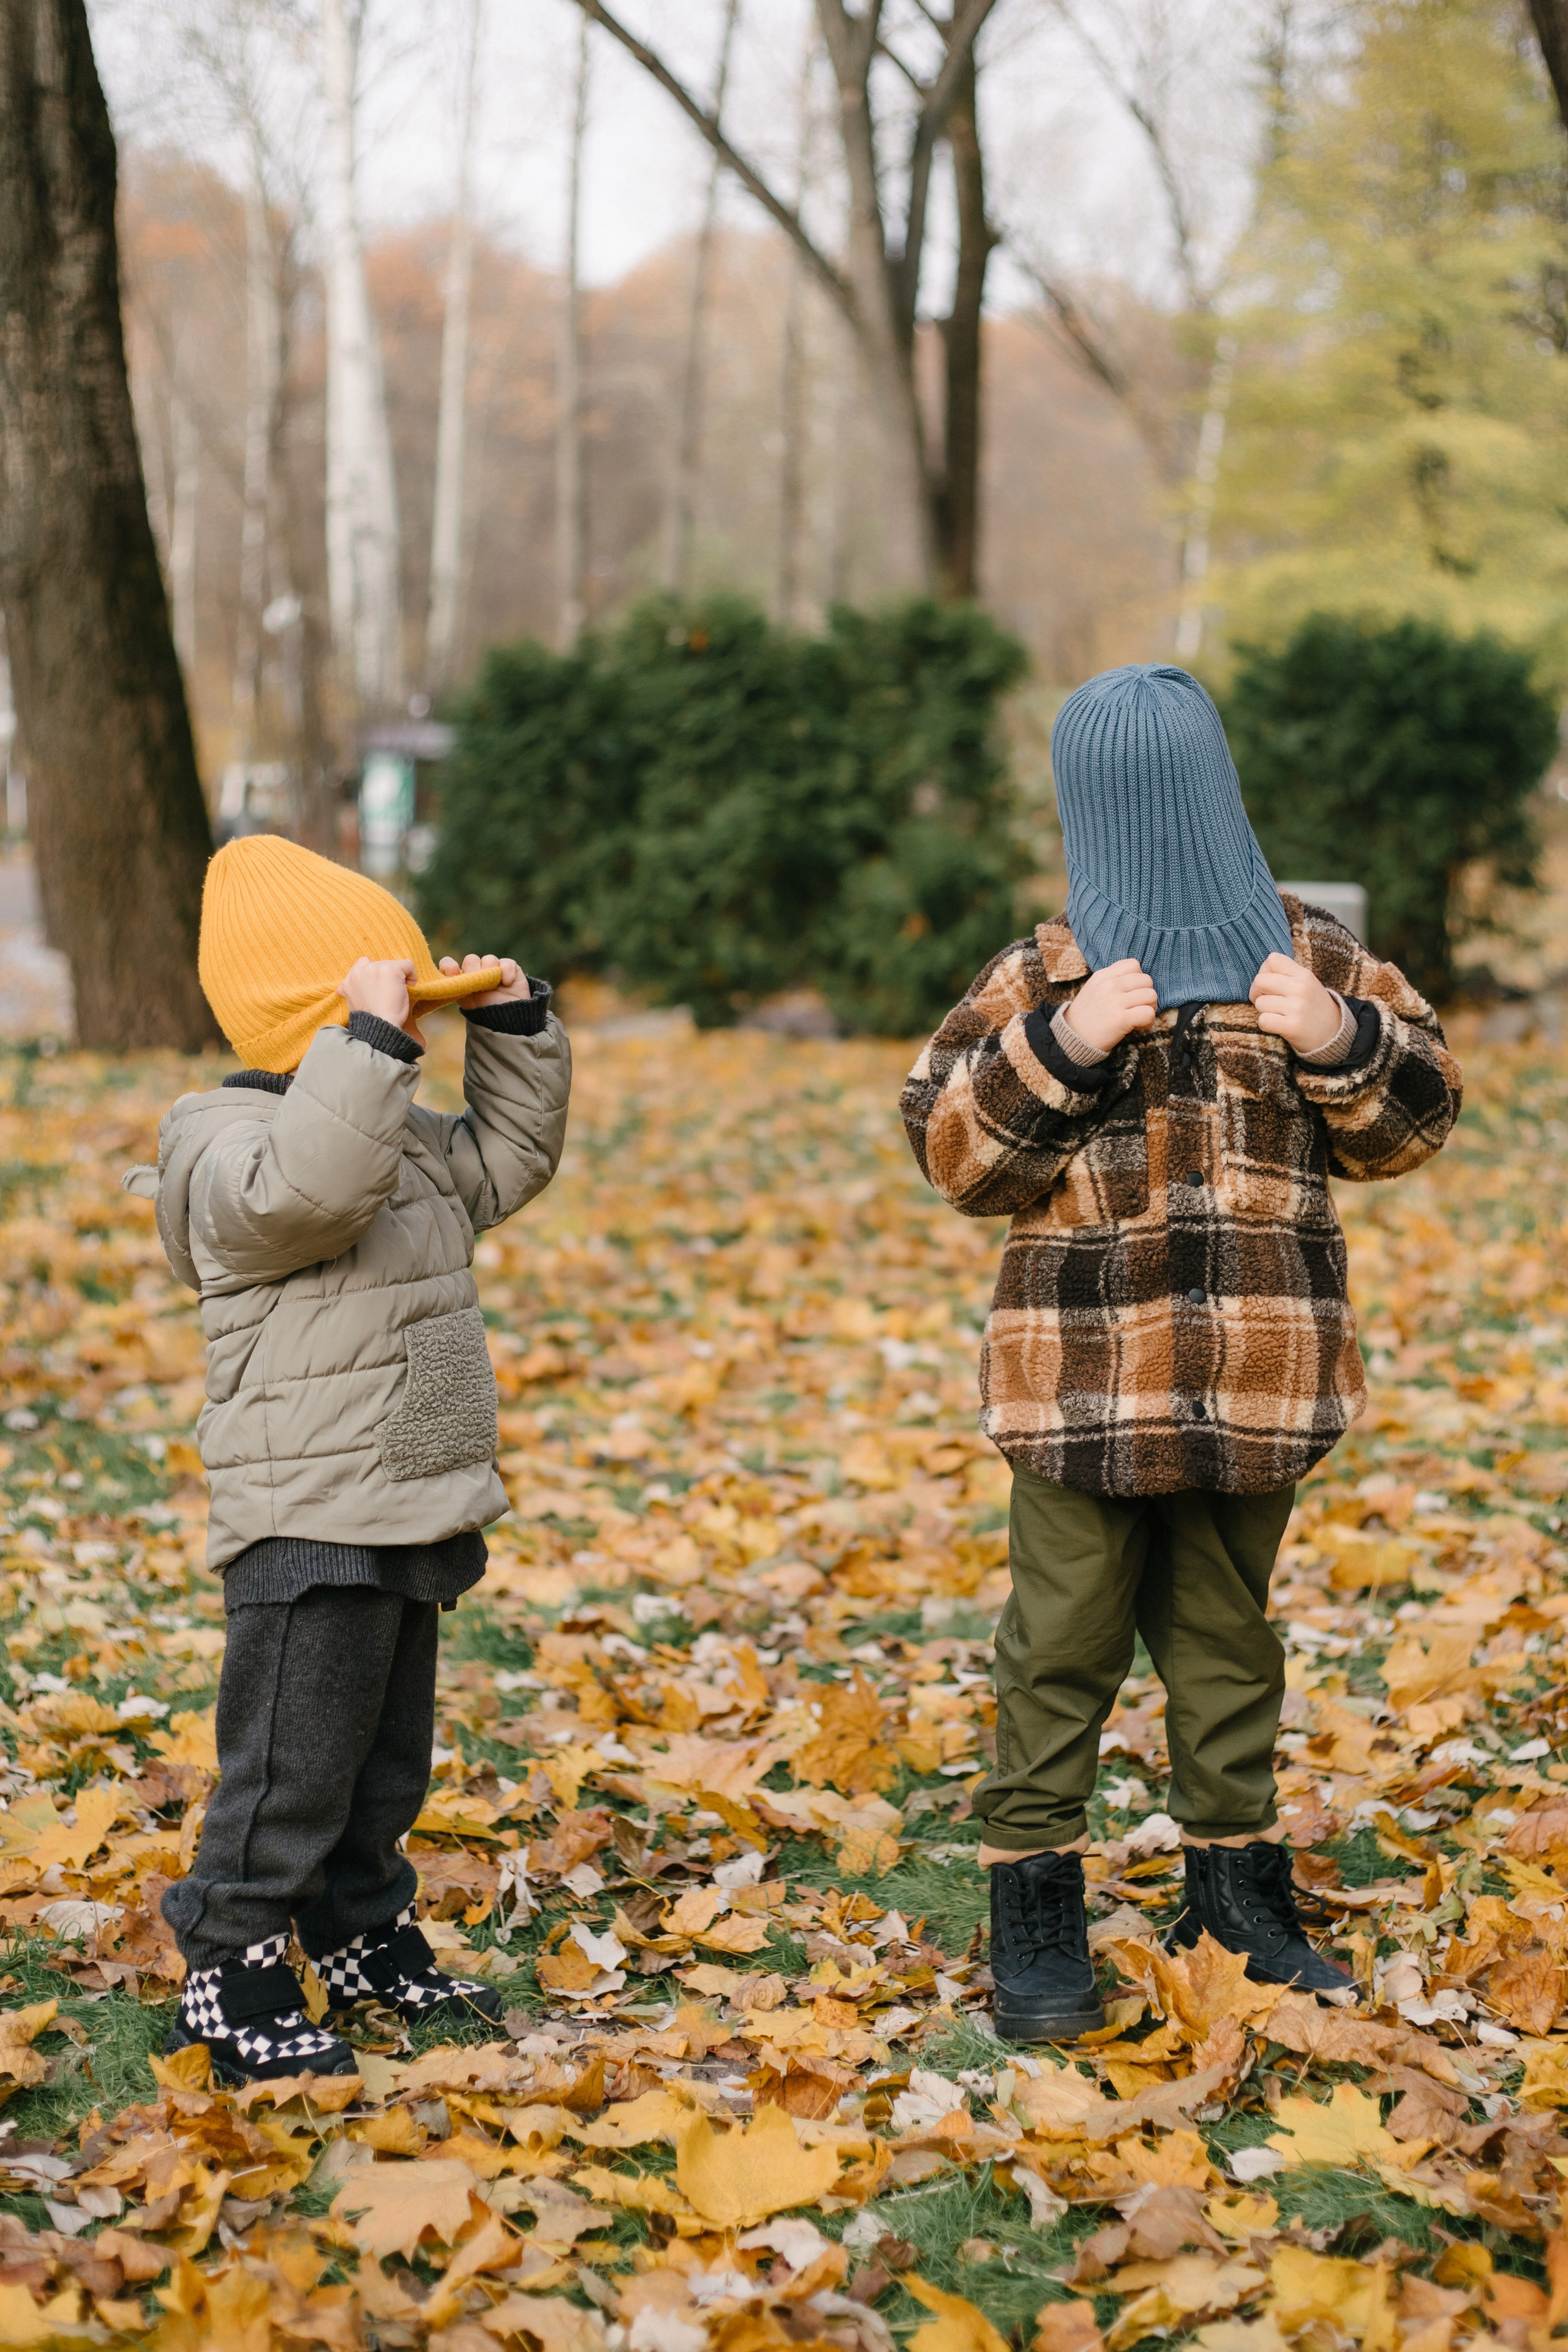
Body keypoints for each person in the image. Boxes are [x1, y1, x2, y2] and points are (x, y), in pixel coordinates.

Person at [900, 663, 1460, 2043]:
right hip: (1080, 1395)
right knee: (1057, 1648)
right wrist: (1063, 1045)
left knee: (1225, 1649)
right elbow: (953, 1154)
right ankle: (1031, 1895)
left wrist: (1342, 1042)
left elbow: (1417, 1120)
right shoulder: (1040, 974)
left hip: (1254, 1388)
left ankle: (1235, 1892)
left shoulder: (1315, 957)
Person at [127, 835, 571, 2082]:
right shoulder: (219, 1144)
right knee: (293, 1760)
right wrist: (369, 1050)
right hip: (310, 1500)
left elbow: (506, 1163)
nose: (408, 1040)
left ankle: (361, 1928)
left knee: (384, 1752)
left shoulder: (394, 1129)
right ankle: (229, 1963)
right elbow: (305, 1197)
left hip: (412, 1478)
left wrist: (516, 1027)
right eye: (390, 1013)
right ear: (325, 1021)